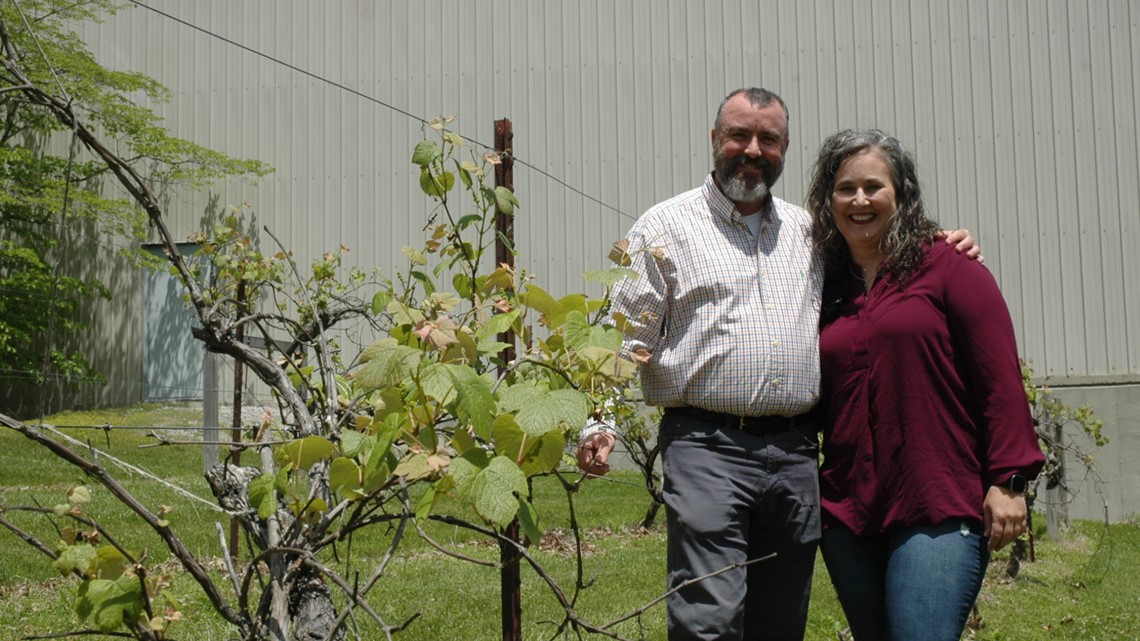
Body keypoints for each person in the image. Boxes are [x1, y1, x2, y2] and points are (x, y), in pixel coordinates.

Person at [576, 89, 979, 641]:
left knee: (780, 621)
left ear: (785, 148)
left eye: (768, 139)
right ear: (715, 140)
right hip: (706, 446)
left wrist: (938, 242)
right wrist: (602, 421)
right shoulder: (663, 228)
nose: (752, 149)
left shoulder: (812, 232)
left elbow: (877, 248)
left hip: (794, 454)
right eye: (740, 135)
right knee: (709, 618)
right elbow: (624, 336)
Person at [805, 128, 1044, 641]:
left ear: (901, 192)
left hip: (939, 502)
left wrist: (1010, 481)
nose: (860, 200)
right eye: (846, 188)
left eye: (874, 186)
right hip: (849, 511)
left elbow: (999, 377)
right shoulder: (822, 287)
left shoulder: (949, 266)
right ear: (829, 201)